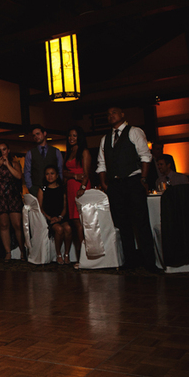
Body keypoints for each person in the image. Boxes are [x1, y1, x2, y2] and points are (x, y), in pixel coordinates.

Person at [96, 107, 157, 271]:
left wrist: (143, 178)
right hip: (115, 185)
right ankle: (129, 261)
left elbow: (145, 155)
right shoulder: (105, 138)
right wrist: (104, 184)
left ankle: (150, 262)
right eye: (108, 114)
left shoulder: (134, 131)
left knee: (141, 222)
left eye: (114, 112)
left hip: (133, 180)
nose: (111, 116)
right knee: (123, 224)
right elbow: (101, 164)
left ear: (122, 114)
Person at [0, 142, 26, 262]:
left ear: (8, 150)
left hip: (13, 195)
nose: (2, 152)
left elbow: (18, 176)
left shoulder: (14, 163)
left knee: (17, 225)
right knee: (3, 225)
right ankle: (8, 252)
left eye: (4, 149)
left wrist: (8, 164)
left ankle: (22, 251)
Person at [63, 125, 91, 260]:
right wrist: (73, 176)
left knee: (81, 221)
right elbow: (63, 173)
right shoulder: (68, 152)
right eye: (70, 136)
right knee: (75, 221)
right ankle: (80, 253)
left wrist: (83, 187)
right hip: (70, 188)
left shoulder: (84, 151)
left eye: (74, 135)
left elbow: (86, 173)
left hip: (81, 188)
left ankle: (84, 255)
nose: (71, 138)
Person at [38, 165, 72, 264]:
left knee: (68, 228)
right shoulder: (42, 189)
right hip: (48, 218)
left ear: (57, 175)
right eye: (47, 174)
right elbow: (40, 208)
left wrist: (60, 217)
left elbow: (65, 207)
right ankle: (58, 255)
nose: (50, 176)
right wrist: (49, 218)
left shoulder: (62, 189)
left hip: (61, 216)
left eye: (52, 173)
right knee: (59, 229)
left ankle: (66, 254)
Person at [24, 124, 63, 197]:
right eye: (34, 135)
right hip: (36, 188)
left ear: (44, 133)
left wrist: (59, 185)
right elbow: (27, 172)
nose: (36, 137)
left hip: (54, 188)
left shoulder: (56, 151)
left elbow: (60, 169)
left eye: (38, 134)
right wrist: (31, 188)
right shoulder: (30, 153)